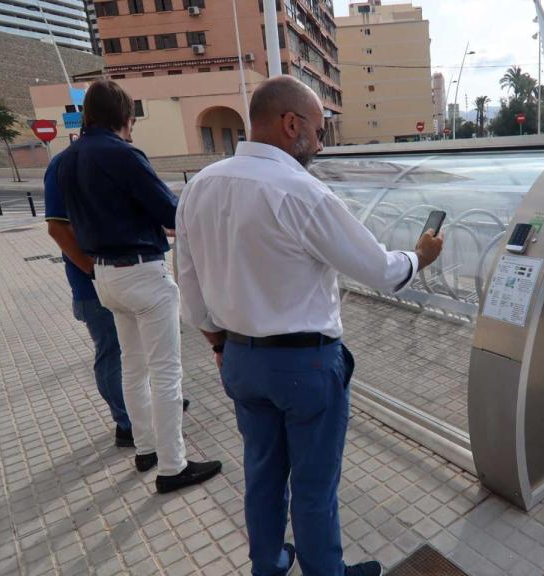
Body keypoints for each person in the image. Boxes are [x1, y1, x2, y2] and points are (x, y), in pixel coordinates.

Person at [175, 75, 443, 576]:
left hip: (239, 360)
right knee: (315, 485)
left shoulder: (200, 188)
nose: (320, 145)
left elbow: (187, 284)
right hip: (304, 365)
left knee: (262, 474)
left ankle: (269, 564)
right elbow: (382, 271)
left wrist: (219, 345)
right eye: (319, 132)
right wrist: (420, 256)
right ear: (291, 123)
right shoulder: (302, 192)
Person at [57, 79, 221, 494]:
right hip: (142, 273)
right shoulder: (124, 154)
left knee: (133, 367)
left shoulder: (67, 159)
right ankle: (172, 466)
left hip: (104, 277)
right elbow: (170, 211)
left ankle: (146, 448)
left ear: (88, 115)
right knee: (166, 373)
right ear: (126, 117)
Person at [45, 148, 133, 449]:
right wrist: (93, 271)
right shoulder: (65, 164)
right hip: (94, 286)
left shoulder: (115, 156)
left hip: (126, 279)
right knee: (111, 351)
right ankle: (126, 423)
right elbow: (57, 227)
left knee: (137, 348)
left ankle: (145, 403)